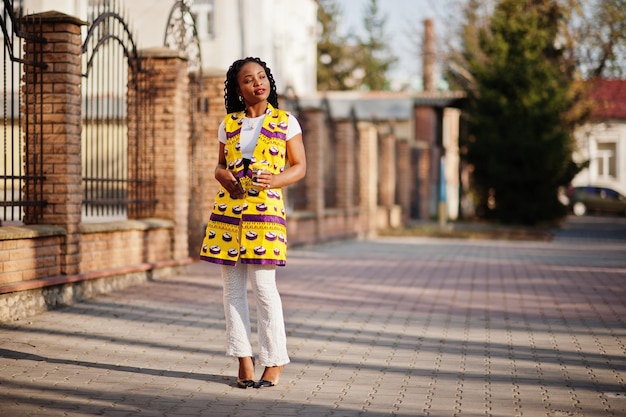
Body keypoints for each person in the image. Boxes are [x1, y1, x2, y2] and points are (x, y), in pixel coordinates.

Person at [199, 57, 306, 389]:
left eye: (262, 77)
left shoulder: (286, 122)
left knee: (263, 288)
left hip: (266, 216)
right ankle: (244, 359)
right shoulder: (228, 124)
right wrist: (224, 177)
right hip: (228, 215)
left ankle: (274, 360)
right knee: (232, 290)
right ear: (238, 88)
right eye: (249, 79)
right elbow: (218, 165)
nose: (258, 83)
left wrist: (273, 180)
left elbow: (299, 166)